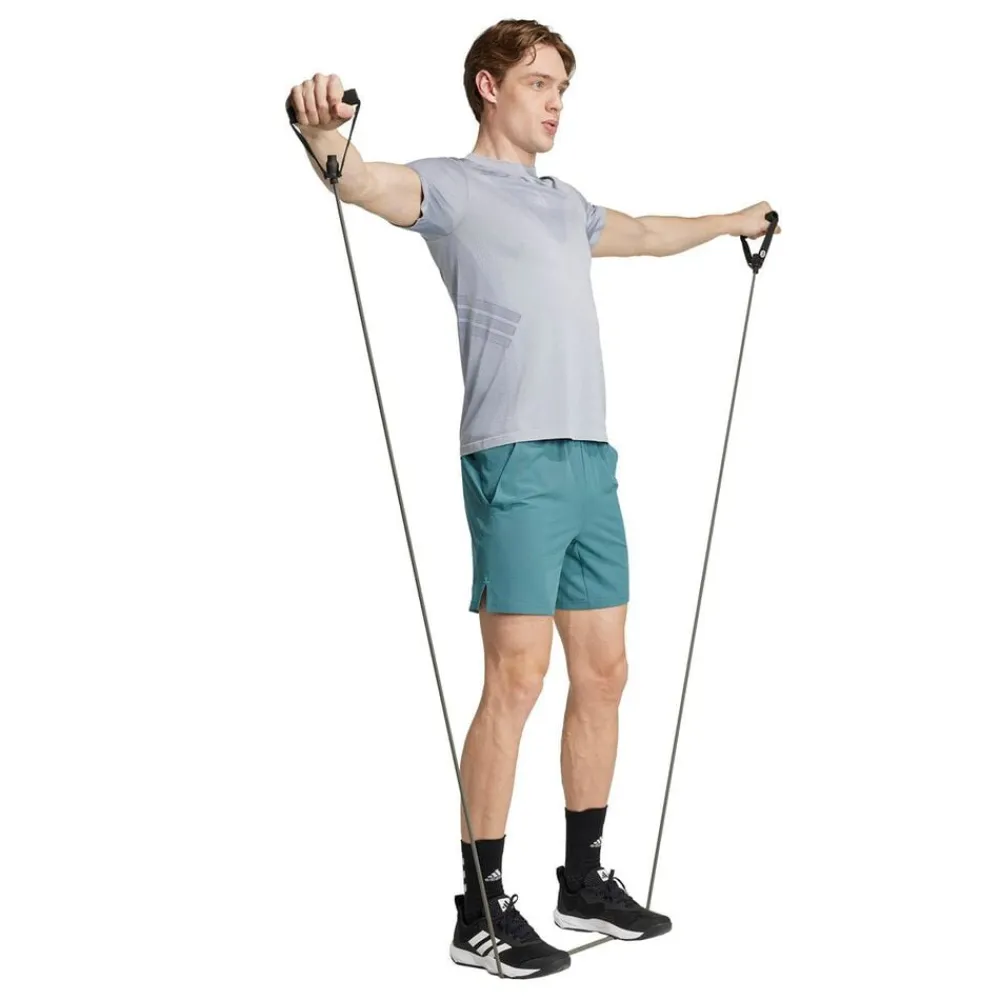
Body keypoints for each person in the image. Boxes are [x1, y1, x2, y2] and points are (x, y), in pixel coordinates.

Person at [288, 18, 778, 980]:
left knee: (606, 672)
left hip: (591, 460)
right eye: (541, 82)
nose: (556, 102)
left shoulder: (567, 205)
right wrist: (320, 137)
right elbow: (362, 181)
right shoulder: (450, 188)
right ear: (489, 85)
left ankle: (582, 882)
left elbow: (646, 234)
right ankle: (478, 911)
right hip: (512, 459)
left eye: (563, 87)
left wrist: (731, 223)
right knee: (516, 679)